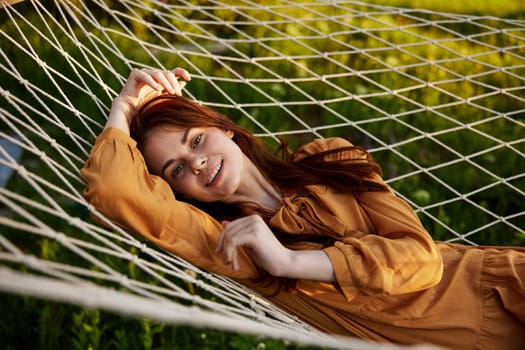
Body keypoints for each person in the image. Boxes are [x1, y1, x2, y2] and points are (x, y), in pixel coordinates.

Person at [81, 68, 525, 349]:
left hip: (501, 286)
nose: (195, 162)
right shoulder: (233, 244)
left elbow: (421, 259)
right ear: (185, 193)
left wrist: (290, 259)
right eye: (176, 170)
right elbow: (115, 189)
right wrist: (123, 107)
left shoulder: (330, 158)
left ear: (226, 131)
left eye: (196, 140)